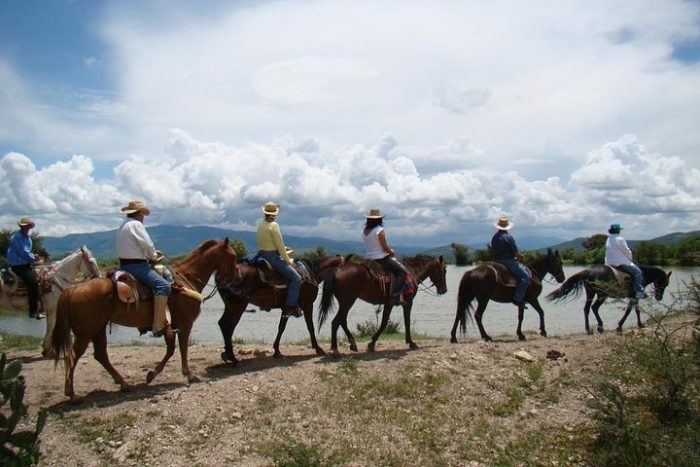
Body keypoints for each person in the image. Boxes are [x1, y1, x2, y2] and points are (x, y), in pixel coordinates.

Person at [116, 200, 176, 337]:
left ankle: (142, 322)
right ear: (139, 213)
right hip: (137, 266)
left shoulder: (123, 225)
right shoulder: (136, 225)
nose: (143, 216)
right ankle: (158, 325)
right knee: (163, 286)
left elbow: (133, 247)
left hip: (123, 265)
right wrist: (154, 255)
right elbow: (147, 244)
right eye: (143, 213)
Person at [256, 201, 302, 317]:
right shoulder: (274, 225)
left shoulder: (261, 224)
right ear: (272, 214)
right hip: (272, 257)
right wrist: (287, 260)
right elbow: (279, 245)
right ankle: (290, 306)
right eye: (275, 214)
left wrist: (284, 248)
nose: (275, 216)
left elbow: (269, 242)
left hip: (261, 254)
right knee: (296, 278)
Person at [361, 208, 410, 306]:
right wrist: (391, 251)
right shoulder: (379, 230)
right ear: (379, 219)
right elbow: (384, 247)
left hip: (368, 259)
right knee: (402, 272)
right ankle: (395, 297)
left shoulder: (365, 231)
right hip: (381, 259)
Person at [5, 217, 44, 319]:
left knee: (42, 279)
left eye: (27, 226)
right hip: (18, 266)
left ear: (30, 227)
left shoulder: (28, 238)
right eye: (24, 226)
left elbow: (27, 252)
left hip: (25, 265)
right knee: (33, 282)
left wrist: (34, 257)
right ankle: (33, 311)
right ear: (21, 226)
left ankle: (40, 305)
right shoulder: (16, 237)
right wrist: (34, 259)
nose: (25, 227)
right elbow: (23, 252)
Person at [491, 216, 530, 307]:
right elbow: (516, 254)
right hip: (508, 262)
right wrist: (521, 256)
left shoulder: (495, 237)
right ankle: (517, 299)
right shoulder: (508, 237)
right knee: (525, 278)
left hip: (496, 261)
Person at [605, 223, 646, 299]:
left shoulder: (608, 239)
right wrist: (631, 258)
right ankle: (639, 292)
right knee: (638, 273)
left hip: (609, 262)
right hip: (620, 262)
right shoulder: (620, 239)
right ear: (618, 231)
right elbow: (626, 251)